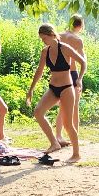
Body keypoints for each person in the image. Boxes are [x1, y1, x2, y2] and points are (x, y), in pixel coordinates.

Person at [28, 23, 86, 163]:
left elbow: (83, 62)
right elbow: (39, 71)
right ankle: (54, 143)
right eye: (41, 39)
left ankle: (76, 154)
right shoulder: (45, 51)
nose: (43, 41)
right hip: (53, 88)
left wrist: (79, 79)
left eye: (44, 38)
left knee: (67, 124)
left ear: (51, 35)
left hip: (67, 88)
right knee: (38, 112)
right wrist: (31, 89)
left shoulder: (65, 48)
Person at [54, 14, 88, 147]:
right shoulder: (77, 40)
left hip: (60, 74)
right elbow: (83, 62)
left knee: (62, 107)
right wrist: (80, 78)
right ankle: (75, 137)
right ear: (79, 26)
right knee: (74, 107)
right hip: (72, 74)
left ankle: (58, 135)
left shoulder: (58, 36)